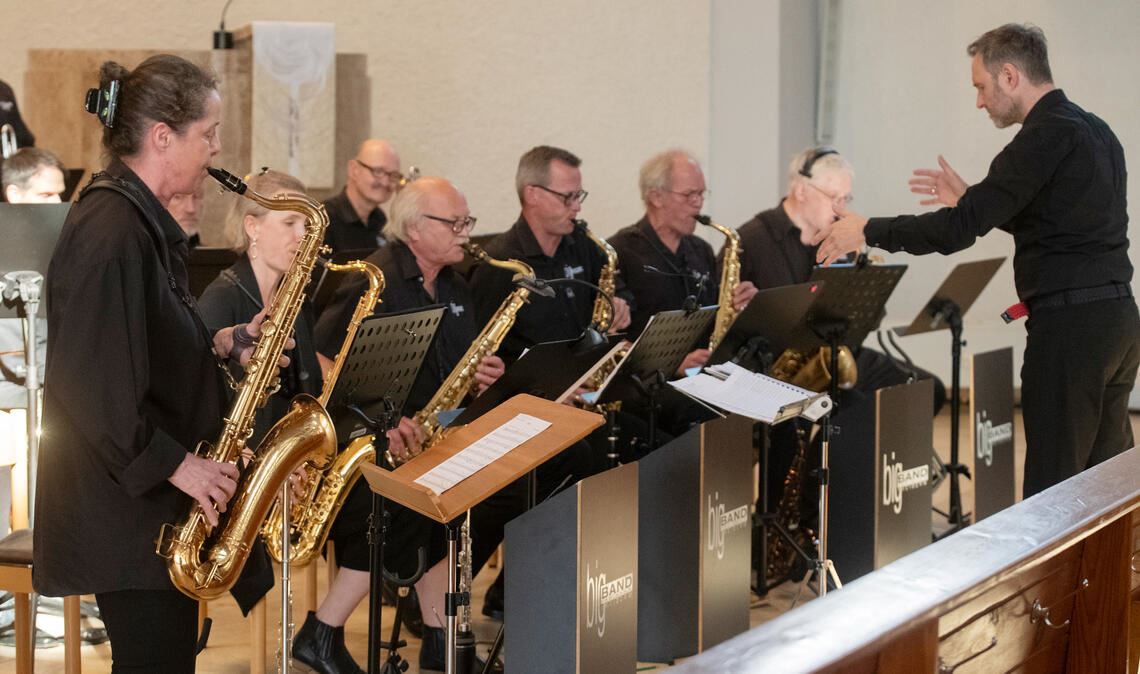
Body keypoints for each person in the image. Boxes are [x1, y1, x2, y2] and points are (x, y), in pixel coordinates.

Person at [32, 54, 282, 672]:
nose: (218, 148)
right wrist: (183, 468)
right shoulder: (113, 231)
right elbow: (89, 386)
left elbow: (136, 346)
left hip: (144, 499)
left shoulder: (136, 221)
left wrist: (221, 343)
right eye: (209, 134)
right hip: (128, 505)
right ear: (162, 136)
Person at [816, 23, 1139, 497]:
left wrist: (866, 229)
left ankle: (1056, 574)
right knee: (1105, 487)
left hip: (1071, 331)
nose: (979, 101)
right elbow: (1060, 226)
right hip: (1119, 324)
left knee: (1053, 492)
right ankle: (1111, 574)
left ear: (1010, 75)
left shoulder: (1040, 137)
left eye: (981, 87)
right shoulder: (1097, 131)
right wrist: (971, 198)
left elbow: (954, 232)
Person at [307, 176, 503, 673]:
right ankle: (323, 631)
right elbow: (319, 359)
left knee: (454, 497)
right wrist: (379, 420)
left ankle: (441, 639)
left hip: (426, 439)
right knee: (416, 503)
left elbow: (452, 373)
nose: (465, 233)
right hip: (362, 439)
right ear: (414, 228)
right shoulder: (375, 279)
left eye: (467, 222)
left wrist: (481, 375)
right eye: (453, 223)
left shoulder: (458, 286)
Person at [468, 145, 631, 363]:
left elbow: (619, 291)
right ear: (532, 194)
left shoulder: (584, 244)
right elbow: (483, 355)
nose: (577, 207)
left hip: (583, 380)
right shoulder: (500, 262)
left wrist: (620, 304)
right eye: (568, 197)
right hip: (530, 391)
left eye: (579, 196)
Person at [197, 170, 322, 446]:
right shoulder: (221, 296)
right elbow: (200, 407)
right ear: (252, 227)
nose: (302, 235)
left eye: (305, 225)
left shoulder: (296, 298)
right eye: (290, 222)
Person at [609, 149, 757, 373]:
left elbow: (715, 320)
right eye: (689, 195)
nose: (698, 204)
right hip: (643, 392)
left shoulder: (701, 250)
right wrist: (670, 364)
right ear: (656, 197)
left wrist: (737, 307)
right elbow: (614, 338)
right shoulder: (621, 251)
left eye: (701, 194)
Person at [322, 138, 403, 255]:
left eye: (393, 175)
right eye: (378, 171)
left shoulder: (380, 219)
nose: (385, 182)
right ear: (353, 170)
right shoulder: (324, 220)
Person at [168, 182, 206, 247]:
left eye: (196, 196)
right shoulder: (148, 254)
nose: (191, 209)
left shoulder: (212, 255)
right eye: (178, 197)